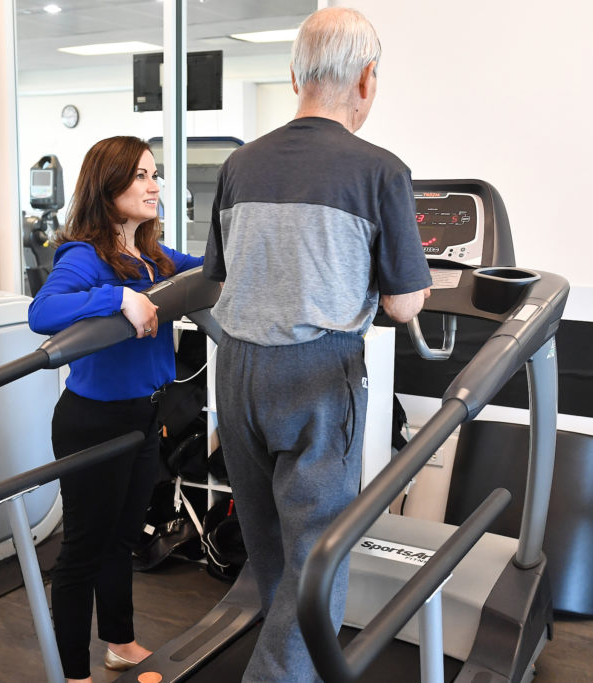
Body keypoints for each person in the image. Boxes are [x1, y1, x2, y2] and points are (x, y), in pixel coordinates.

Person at [202, 7, 433, 681]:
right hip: (316, 375)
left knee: (271, 547)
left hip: (237, 368)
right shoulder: (381, 170)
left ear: (294, 72)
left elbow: (219, 277)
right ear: (367, 79)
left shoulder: (241, 163)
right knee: (321, 557)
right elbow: (401, 300)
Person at [28, 136, 203, 683]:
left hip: (145, 416)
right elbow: (44, 312)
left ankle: (120, 643)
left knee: (123, 537)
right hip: (94, 422)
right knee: (84, 547)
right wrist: (118, 298)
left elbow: (204, 270)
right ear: (109, 188)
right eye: (141, 177)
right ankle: (72, 672)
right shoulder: (85, 255)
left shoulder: (153, 256)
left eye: (156, 176)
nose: (155, 187)